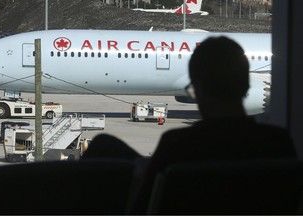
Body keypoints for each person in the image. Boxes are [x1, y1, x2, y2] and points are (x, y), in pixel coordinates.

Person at [83, 36, 296, 214]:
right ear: (245, 84)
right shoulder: (279, 142)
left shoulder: (177, 144)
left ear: (198, 88)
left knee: (104, 144)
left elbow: (145, 206)